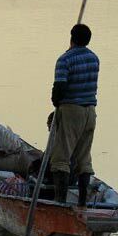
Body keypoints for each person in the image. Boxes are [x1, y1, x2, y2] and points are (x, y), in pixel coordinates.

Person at [47, 23, 100, 206]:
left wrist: (56, 103)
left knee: (61, 158)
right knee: (83, 158)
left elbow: (59, 90)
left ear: (71, 37)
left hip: (71, 110)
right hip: (90, 112)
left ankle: (60, 201)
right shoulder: (94, 59)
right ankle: (83, 202)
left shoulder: (65, 60)